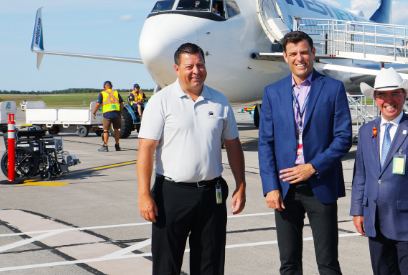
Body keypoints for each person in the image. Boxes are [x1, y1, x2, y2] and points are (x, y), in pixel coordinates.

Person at [137, 43, 246, 275]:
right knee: (167, 265)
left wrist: (241, 185)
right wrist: (144, 194)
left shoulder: (220, 101)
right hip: (171, 195)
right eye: (189, 66)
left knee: (211, 264)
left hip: (212, 194)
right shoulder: (161, 101)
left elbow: (234, 145)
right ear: (177, 69)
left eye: (200, 65)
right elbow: (145, 150)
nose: (196, 71)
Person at [258, 31, 352, 275]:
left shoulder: (333, 89)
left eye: (303, 52)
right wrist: (270, 187)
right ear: (285, 57)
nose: (299, 58)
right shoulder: (272, 92)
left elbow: (343, 138)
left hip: (320, 183)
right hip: (286, 187)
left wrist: (313, 166)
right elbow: (266, 143)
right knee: (288, 263)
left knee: (328, 262)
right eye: (293, 54)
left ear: (312, 53)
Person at [351, 67, 408, 275]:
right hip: (375, 221)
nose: (388, 100)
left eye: (395, 94)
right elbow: (360, 176)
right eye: (382, 95)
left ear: (404, 96)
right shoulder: (366, 132)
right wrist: (358, 210)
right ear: (375, 98)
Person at [93, 81, 124, 152]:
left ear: (104, 86)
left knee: (106, 130)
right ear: (111, 86)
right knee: (116, 129)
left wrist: (94, 112)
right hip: (116, 113)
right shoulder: (116, 92)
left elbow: (98, 104)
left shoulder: (102, 93)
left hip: (107, 114)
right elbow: (121, 103)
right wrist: (120, 112)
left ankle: (105, 146)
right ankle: (117, 145)